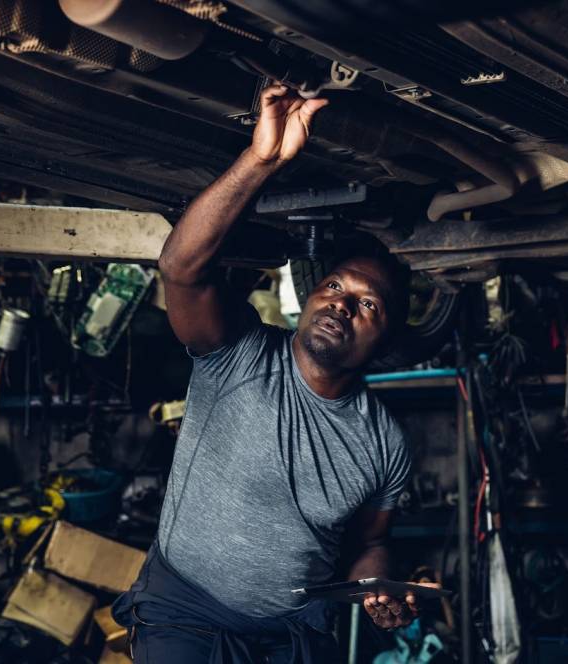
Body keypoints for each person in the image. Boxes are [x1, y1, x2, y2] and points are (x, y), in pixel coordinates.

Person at [113, 84, 423, 663]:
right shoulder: (240, 352)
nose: (341, 304)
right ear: (310, 295)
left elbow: (369, 543)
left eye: (367, 304)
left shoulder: (385, 443)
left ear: (384, 340)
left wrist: (378, 584)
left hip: (294, 637)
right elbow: (180, 268)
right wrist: (260, 161)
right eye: (333, 285)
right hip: (187, 617)